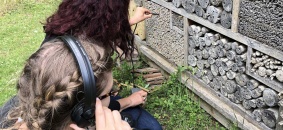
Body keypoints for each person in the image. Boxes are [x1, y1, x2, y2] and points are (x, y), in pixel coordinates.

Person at [1, 0, 162, 129]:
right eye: (108, 93)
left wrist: (131, 21)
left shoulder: (58, 49)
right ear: (84, 114)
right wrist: (130, 101)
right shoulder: (76, 93)